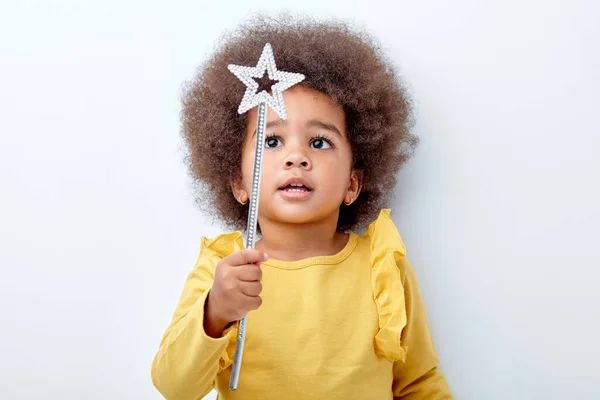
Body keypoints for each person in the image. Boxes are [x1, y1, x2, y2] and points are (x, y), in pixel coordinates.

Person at [151, 14, 453, 400]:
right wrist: (214, 313)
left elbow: (418, 383)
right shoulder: (222, 267)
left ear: (352, 183)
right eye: (272, 142)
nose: (296, 156)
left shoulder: (382, 266)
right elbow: (175, 387)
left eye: (320, 142)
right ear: (239, 183)